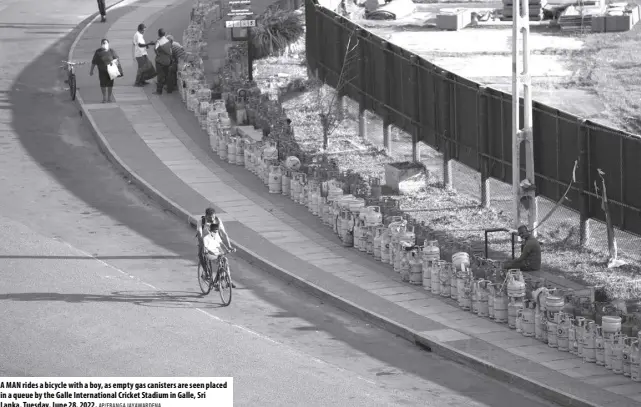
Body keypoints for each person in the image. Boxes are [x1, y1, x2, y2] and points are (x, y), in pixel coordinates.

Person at [200, 208, 236, 289]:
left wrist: (229, 246)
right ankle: (208, 275)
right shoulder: (203, 224)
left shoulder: (217, 221)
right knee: (213, 258)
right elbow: (201, 236)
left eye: (213, 217)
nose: (212, 219)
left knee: (224, 260)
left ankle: (228, 280)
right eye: (210, 218)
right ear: (206, 216)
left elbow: (223, 234)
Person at [90, 38, 119, 103]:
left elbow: (116, 58)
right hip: (102, 71)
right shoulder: (98, 52)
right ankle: (104, 98)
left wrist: (113, 61)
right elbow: (94, 62)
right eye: (103, 43)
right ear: (101, 44)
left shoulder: (111, 51)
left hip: (111, 71)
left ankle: (109, 98)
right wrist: (91, 70)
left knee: (110, 85)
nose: (104, 44)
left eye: (105, 43)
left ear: (108, 44)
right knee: (103, 85)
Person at [153, 28, 173, 94]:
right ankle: (169, 89)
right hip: (168, 61)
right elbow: (170, 51)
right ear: (164, 34)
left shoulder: (158, 42)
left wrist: (158, 54)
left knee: (160, 76)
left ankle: (159, 91)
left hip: (160, 61)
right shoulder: (168, 41)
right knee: (167, 75)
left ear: (158, 34)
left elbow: (155, 49)